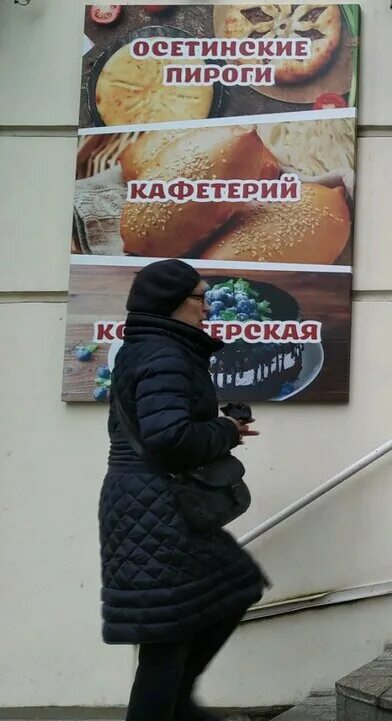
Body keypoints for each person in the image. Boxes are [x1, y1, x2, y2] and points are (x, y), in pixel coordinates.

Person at [99, 259, 265, 721]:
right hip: (156, 504)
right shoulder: (165, 357)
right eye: (200, 298)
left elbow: (164, 427)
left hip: (152, 501)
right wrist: (226, 430)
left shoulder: (153, 350)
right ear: (173, 303)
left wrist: (217, 429)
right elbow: (169, 440)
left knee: (229, 590)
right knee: (168, 636)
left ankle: (180, 709)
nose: (207, 307)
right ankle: (174, 711)